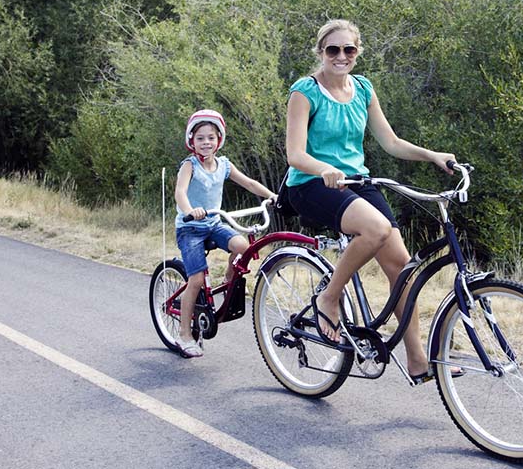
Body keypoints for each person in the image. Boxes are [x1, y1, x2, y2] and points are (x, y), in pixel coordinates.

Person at [285, 19, 457, 383]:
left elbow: (390, 141)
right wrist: (324, 168)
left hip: (357, 183)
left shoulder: (363, 89)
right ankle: (329, 298)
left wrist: (433, 155)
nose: (341, 56)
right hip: (312, 183)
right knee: (376, 228)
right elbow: (295, 154)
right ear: (321, 52)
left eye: (349, 49)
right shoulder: (305, 91)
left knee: (402, 268)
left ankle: (417, 360)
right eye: (333, 49)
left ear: (358, 51)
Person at [174, 109, 276, 358]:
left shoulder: (224, 165)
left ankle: (228, 280)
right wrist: (190, 210)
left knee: (243, 248)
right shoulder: (189, 165)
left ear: (219, 140)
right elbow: (180, 192)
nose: (206, 142)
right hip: (190, 228)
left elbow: (250, 183)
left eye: (211, 137)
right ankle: (185, 334)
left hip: (214, 223)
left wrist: (272, 196)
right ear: (192, 141)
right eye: (200, 138)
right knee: (196, 281)